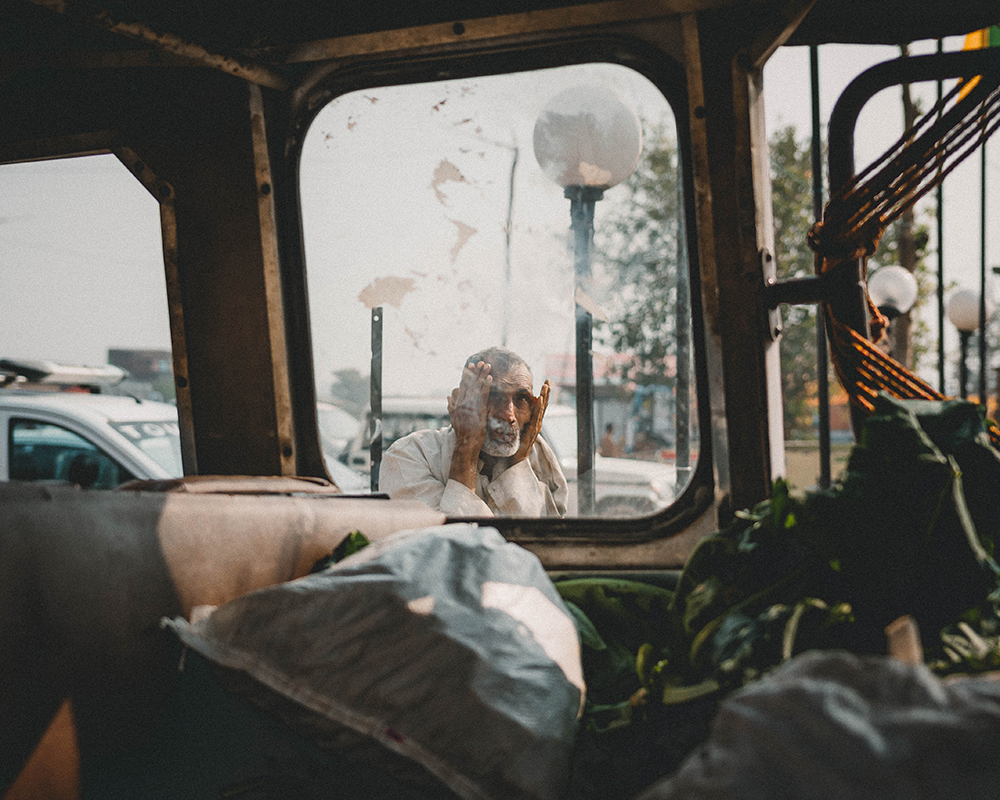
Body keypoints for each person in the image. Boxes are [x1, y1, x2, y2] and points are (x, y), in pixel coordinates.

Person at [379, 346, 568, 517]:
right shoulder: (409, 456)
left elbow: (539, 542)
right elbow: (453, 543)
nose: (508, 415)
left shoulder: (538, 457)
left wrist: (517, 462)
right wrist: (466, 449)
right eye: (493, 396)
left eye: (521, 399)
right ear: (461, 400)